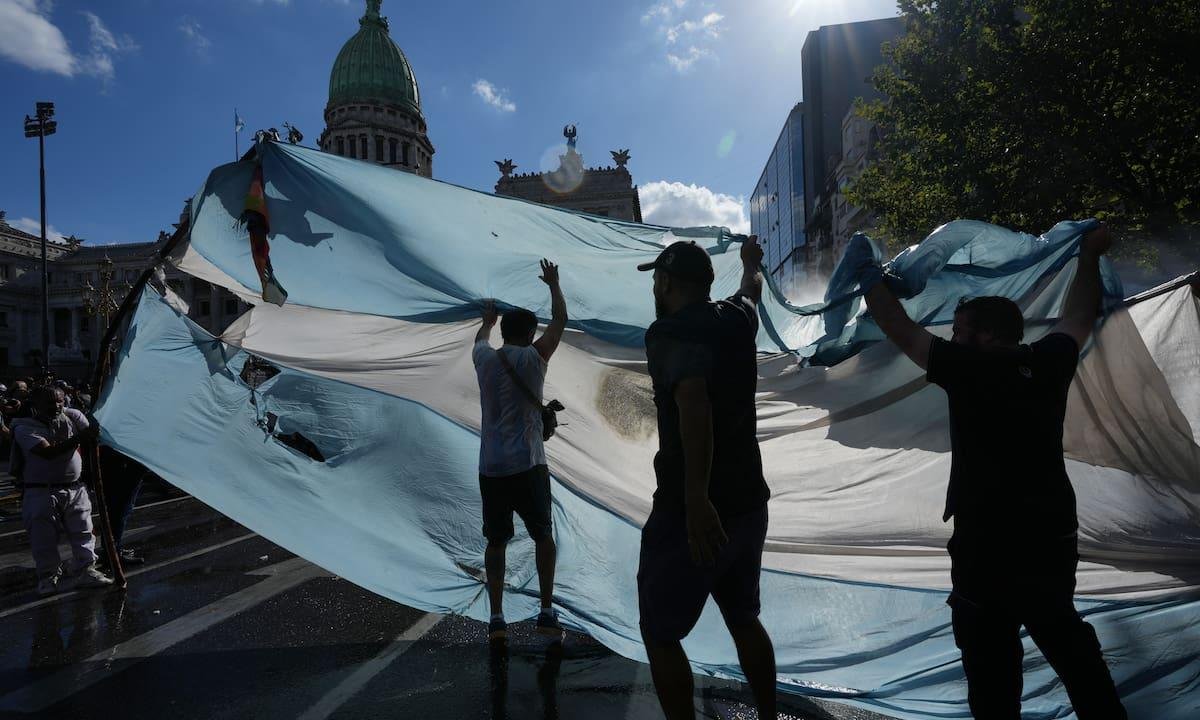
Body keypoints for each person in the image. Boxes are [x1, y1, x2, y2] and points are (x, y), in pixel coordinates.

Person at [860, 223, 1127, 719]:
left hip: (987, 544)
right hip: (1050, 533)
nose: (954, 340)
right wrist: (1088, 256)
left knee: (990, 670)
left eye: (960, 332)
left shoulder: (969, 369)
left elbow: (900, 329)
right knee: (1070, 647)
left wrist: (866, 278)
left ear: (984, 336)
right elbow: (1078, 319)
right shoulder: (1046, 361)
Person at [636, 238, 777, 720]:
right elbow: (752, 290)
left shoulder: (668, 332)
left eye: (657, 278)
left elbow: (694, 404)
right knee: (744, 618)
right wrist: (751, 264)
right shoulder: (738, 318)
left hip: (692, 514)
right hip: (748, 503)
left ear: (668, 282)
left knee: (659, 633)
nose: (655, 286)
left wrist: (697, 500)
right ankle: (766, 715)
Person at [472, 258, 568, 642]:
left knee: (496, 541)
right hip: (528, 465)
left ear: (503, 332)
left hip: (491, 467)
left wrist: (487, 322)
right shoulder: (534, 358)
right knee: (543, 536)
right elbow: (560, 320)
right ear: (530, 334)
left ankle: (496, 618)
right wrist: (553, 284)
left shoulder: (484, 359)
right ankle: (545, 611)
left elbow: (480, 340)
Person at [14, 385, 113, 596]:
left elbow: (95, 435)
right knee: (43, 537)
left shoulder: (73, 416)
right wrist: (81, 437)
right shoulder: (24, 427)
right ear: (36, 405)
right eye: (49, 403)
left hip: (75, 489)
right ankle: (49, 577)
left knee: (84, 531)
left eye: (59, 401)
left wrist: (93, 430)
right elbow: (48, 453)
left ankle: (86, 569)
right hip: (41, 492)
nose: (56, 406)